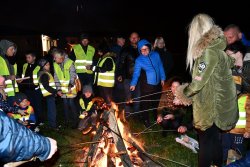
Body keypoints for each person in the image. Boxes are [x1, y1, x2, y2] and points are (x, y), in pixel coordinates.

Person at [175, 13, 238, 167]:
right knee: (213, 140)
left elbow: (197, 84)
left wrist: (181, 95)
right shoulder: (216, 49)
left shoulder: (207, 53)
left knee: (206, 143)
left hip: (211, 109)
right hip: (218, 106)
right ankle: (218, 164)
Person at [130, 39, 166, 127]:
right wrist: (133, 84)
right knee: (145, 104)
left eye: (146, 49)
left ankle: (156, 117)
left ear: (149, 48)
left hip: (158, 84)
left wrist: (163, 78)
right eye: (142, 49)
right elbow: (136, 73)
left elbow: (160, 66)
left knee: (156, 102)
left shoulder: (156, 55)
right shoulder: (139, 60)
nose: (144, 51)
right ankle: (146, 120)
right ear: (139, 50)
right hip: (147, 85)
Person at [53, 48, 79, 129]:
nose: (54, 59)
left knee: (71, 103)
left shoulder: (70, 63)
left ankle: (75, 121)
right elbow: (56, 77)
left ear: (61, 58)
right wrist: (58, 89)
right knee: (65, 104)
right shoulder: (55, 64)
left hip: (71, 87)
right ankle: (67, 121)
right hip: (63, 89)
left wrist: (71, 84)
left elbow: (73, 74)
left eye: (55, 57)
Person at [117, 32, 141, 116]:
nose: (134, 39)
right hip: (128, 77)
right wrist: (119, 74)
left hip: (139, 78)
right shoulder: (125, 49)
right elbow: (121, 62)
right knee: (128, 97)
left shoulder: (142, 49)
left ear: (139, 38)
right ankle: (127, 115)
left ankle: (136, 115)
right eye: (132, 37)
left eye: (136, 37)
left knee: (137, 98)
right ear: (129, 39)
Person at [19, 51, 44, 125]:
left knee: (38, 105)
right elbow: (23, 76)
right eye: (26, 57)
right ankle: (32, 120)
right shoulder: (25, 65)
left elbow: (41, 78)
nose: (27, 59)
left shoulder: (39, 67)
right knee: (30, 106)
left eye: (29, 57)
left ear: (34, 58)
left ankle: (40, 120)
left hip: (36, 90)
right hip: (27, 90)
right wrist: (21, 80)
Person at [38, 59, 62, 129]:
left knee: (51, 110)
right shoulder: (44, 74)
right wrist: (56, 91)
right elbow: (46, 86)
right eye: (47, 65)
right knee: (52, 111)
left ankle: (52, 124)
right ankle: (53, 126)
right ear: (43, 66)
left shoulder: (46, 73)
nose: (49, 66)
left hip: (50, 94)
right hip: (49, 95)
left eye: (49, 64)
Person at [0, 39, 19, 106]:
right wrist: (8, 77)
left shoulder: (12, 60)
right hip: (3, 92)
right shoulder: (0, 59)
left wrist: (18, 78)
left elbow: (14, 73)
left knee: (13, 113)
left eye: (14, 49)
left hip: (13, 91)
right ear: (5, 48)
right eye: (11, 49)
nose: (13, 51)